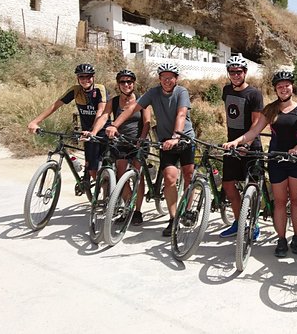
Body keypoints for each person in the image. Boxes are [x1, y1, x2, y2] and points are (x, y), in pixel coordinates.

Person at [223, 71, 297, 257]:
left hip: (296, 161)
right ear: (275, 89)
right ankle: (281, 239)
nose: (284, 88)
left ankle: (296, 237)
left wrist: (296, 149)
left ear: (292, 87)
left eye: (287, 85)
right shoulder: (270, 110)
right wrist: (236, 142)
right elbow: (254, 131)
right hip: (275, 160)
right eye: (280, 86)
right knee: (279, 202)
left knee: (295, 201)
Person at [106, 62, 195, 237]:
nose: (167, 80)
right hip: (165, 141)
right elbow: (133, 108)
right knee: (169, 179)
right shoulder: (153, 93)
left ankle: (187, 210)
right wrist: (114, 124)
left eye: (170, 77)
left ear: (176, 79)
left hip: (184, 139)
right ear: (159, 78)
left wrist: (176, 137)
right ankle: (173, 218)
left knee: (188, 176)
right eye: (164, 77)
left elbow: (181, 114)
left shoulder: (181, 92)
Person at [28, 63, 108, 188]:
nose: (85, 80)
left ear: (93, 77)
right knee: (93, 170)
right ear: (77, 78)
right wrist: (35, 122)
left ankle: (108, 196)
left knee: (104, 166)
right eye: (82, 77)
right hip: (86, 132)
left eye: (88, 77)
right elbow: (55, 106)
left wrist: (93, 131)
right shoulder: (75, 91)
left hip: (101, 130)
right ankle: (100, 188)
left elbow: (101, 111)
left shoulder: (99, 89)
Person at [88, 69, 151, 225]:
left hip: (138, 142)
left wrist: (141, 139)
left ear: (134, 84)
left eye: (129, 82)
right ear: (118, 84)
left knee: (138, 175)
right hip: (121, 142)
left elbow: (147, 123)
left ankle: (137, 211)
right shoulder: (114, 102)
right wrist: (94, 132)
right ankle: (128, 207)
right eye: (123, 82)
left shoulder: (142, 101)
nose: (126, 84)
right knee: (120, 175)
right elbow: (104, 117)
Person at [219, 55, 264, 240]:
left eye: (239, 71)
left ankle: (253, 223)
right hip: (232, 145)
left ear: (245, 72)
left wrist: (246, 144)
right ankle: (239, 222)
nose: (235, 75)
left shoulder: (254, 94)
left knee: (252, 187)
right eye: (232, 72)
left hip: (251, 146)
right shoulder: (226, 90)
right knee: (228, 185)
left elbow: (256, 123)